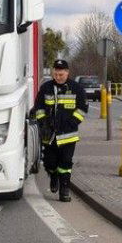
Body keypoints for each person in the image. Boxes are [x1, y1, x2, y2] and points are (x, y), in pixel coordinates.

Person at [33, 59, 88, 202]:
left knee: (66, 162)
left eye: (61, 74)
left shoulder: (76, 88)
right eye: (56, 74)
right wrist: (43, 122)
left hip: (68, 135)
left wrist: (72, 123)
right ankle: (53, 176)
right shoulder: (46, 88)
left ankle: (64, 190)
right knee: (50, 163)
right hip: (49, 135)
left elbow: (82, 109)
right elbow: (38, 107)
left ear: (67, 73)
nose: (58, 77)